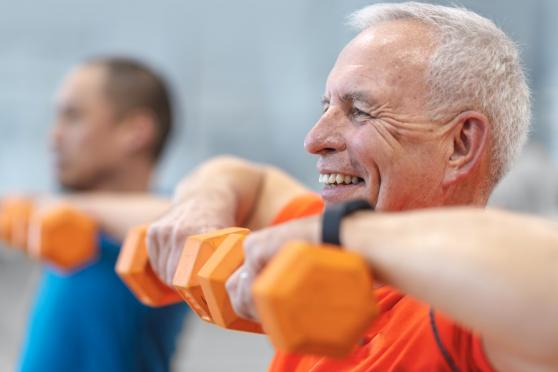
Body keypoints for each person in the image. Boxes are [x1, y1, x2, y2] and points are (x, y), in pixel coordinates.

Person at [145, 2, 558, 371]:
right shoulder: (338, 242)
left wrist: (343, 233)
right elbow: (243, 178)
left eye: (358, 111)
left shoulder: (463, 320)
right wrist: (200, 205)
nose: (314, 138)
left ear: (460, 145)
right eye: (326, 108)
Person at [19, 57, 188, 372]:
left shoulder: (164, 226)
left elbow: (189, 224)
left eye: (73, 117)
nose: (53, 137)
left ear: (135, 132)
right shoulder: (78, 224)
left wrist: (71, 207)